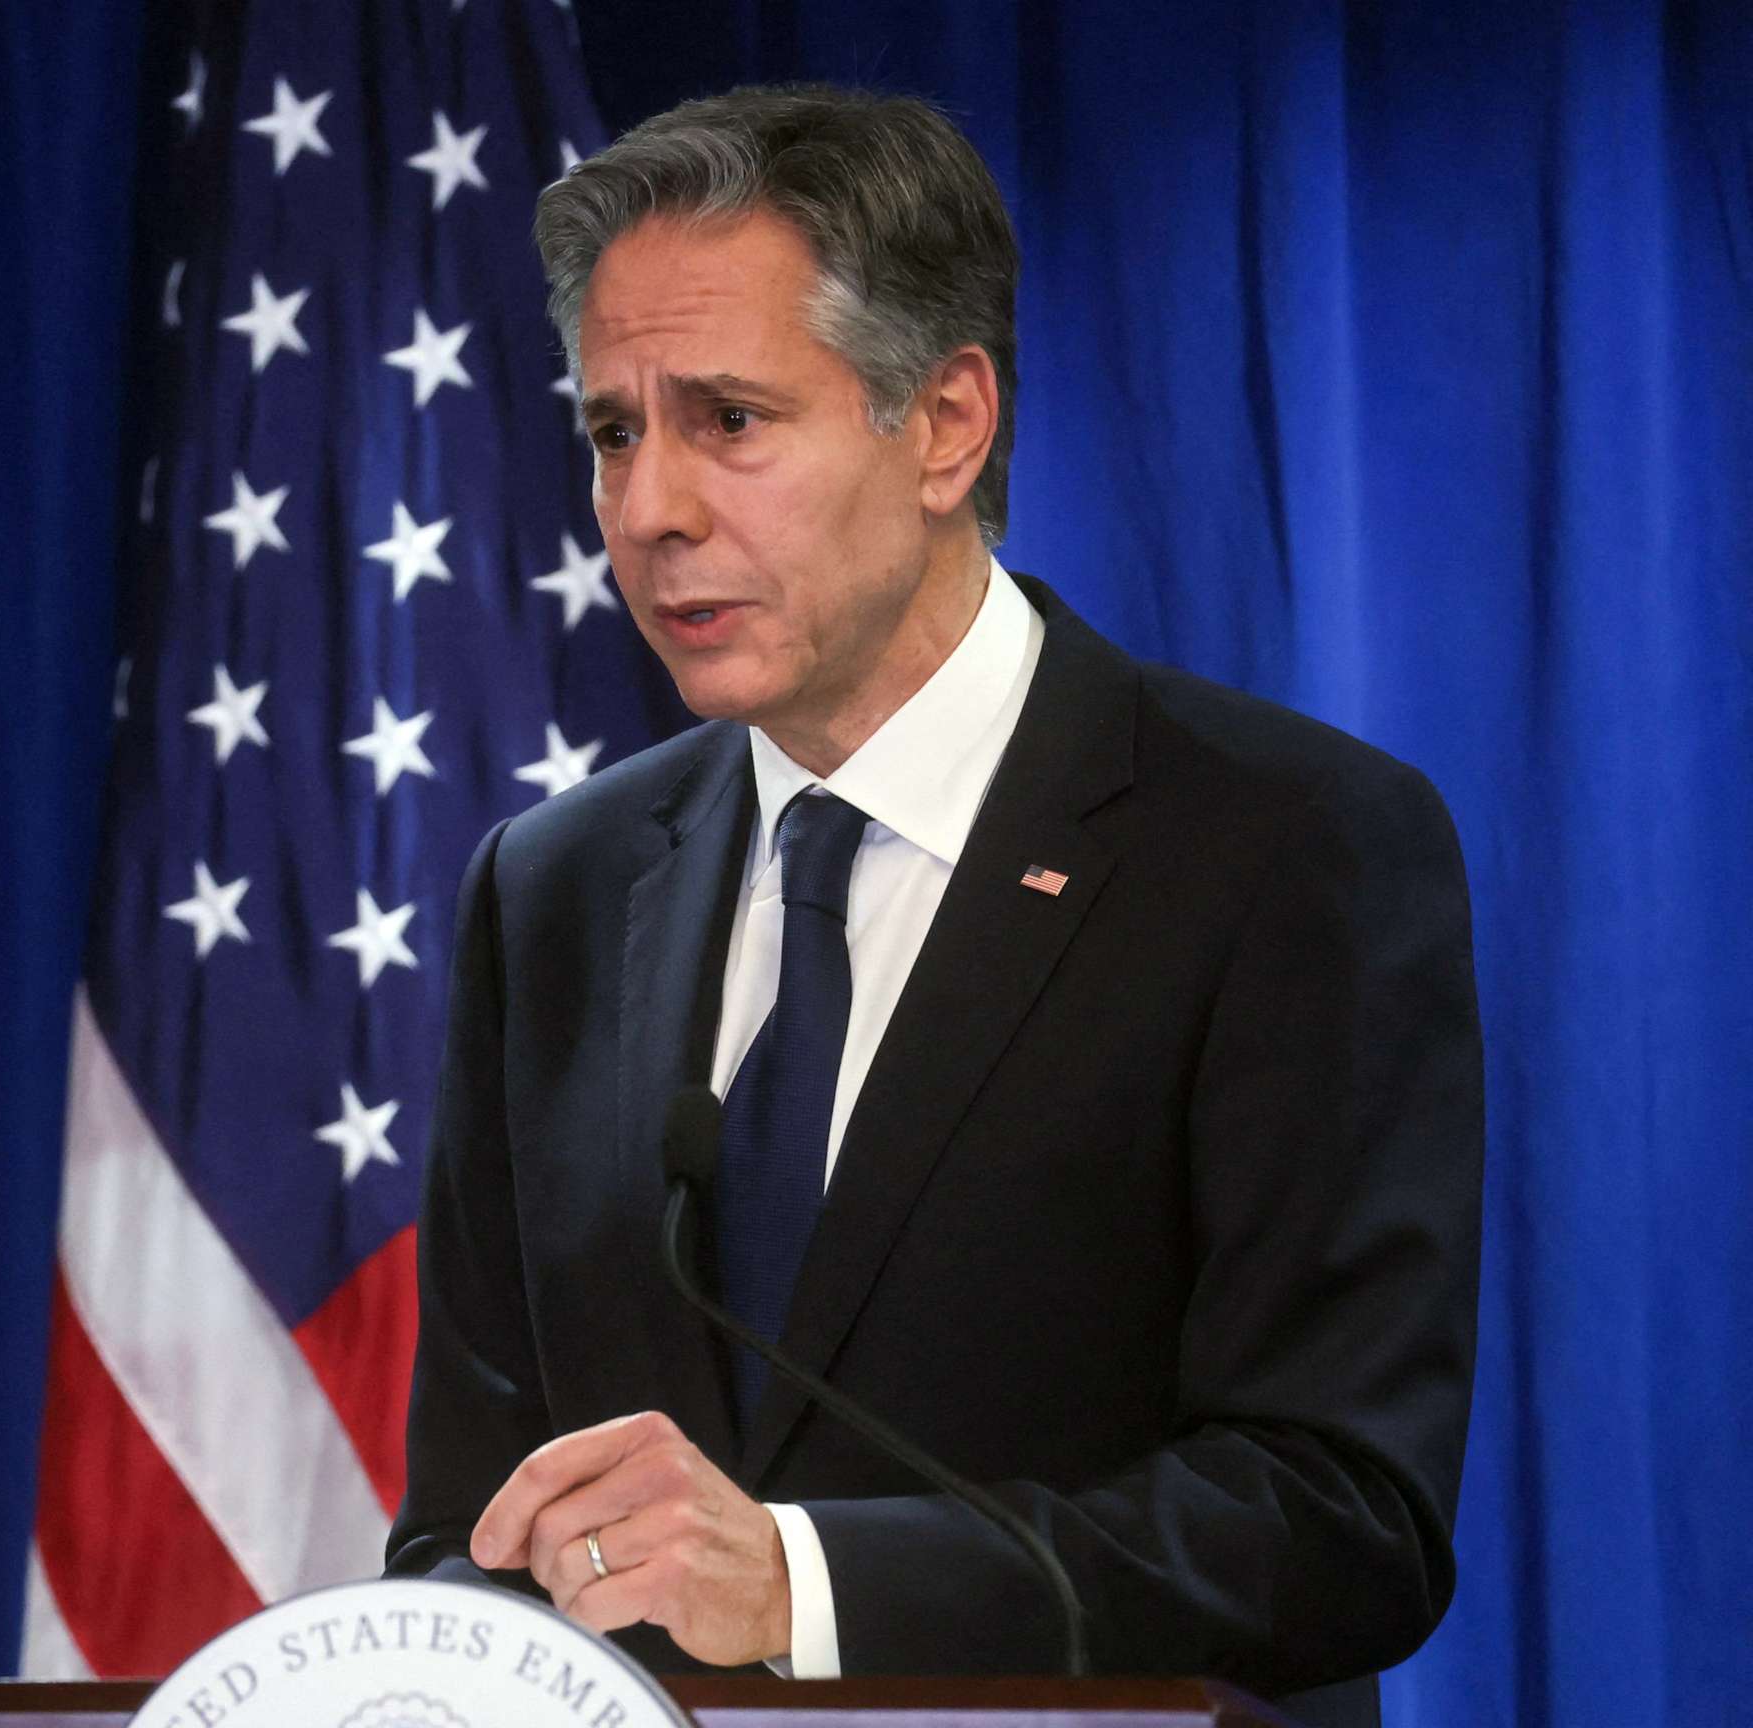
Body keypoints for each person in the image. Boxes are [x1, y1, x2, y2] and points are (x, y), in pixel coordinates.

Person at [384, 86, 1482, 1728]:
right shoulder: (551, 892)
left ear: (947, 425)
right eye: (614, 430)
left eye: (730, 420)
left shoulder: (1282, 848)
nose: (647, 508)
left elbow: (1339, 1520)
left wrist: (808, 1585)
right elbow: (466, 1524)